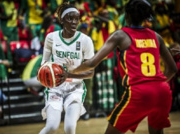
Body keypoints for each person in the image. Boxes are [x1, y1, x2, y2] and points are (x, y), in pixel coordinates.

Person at [71, 0, 177, 134]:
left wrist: (70, 71)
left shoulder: (120, 35)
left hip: (139, 92)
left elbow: (92, 63)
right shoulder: (156, 36)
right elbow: (173, 69)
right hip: (162, 91)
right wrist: (156, 86)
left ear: (126, 16)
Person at [39, 2, 94, 134]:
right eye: (70, 18)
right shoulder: (51, 38)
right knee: (52, 126)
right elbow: (43, 64)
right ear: (62, 20)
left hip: (75, 88)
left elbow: (90, 72)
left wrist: (70, 74)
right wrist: (42, 74)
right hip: (55, 87)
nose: (74, 22)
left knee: (69, 127)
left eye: (77, 18)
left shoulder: (86, 41)